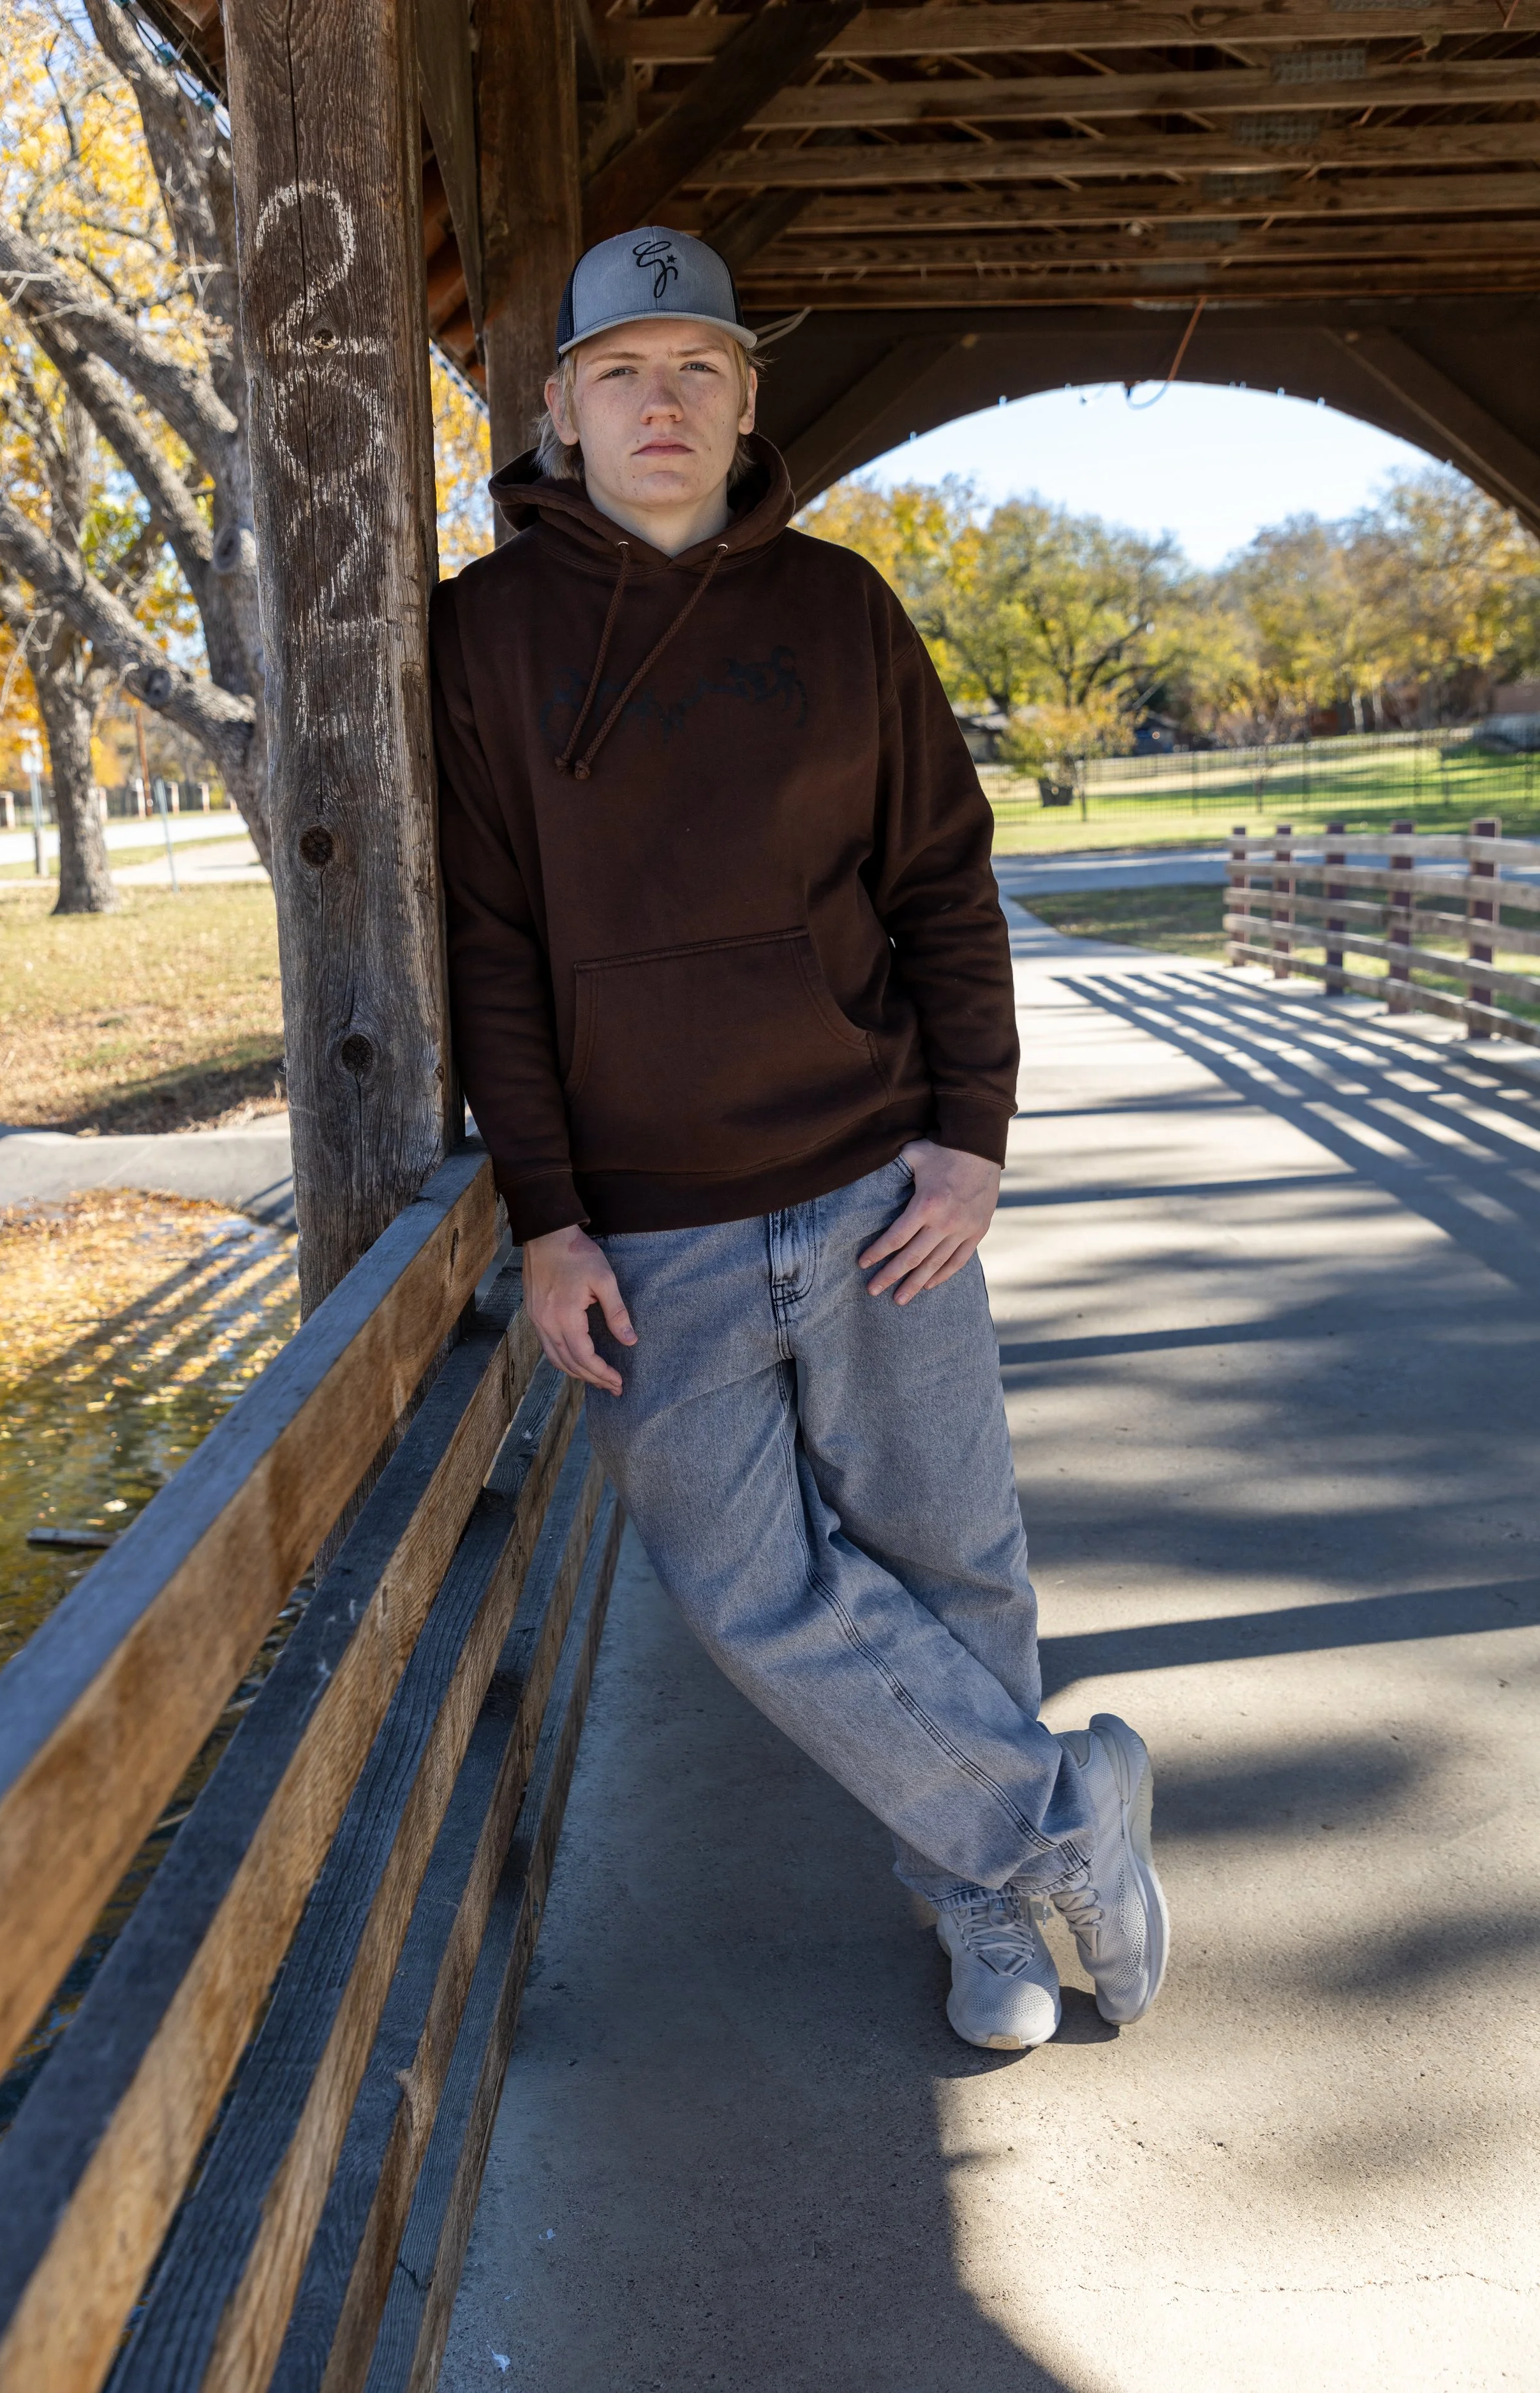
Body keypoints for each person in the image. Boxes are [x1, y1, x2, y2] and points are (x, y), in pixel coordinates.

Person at [431, 227, 1167, 2051]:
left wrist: (970, 1138)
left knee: (948, 1559)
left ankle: (988, 1916)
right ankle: (1062, 1818)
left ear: (747, 401)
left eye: (696, 368)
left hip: (870, 1190)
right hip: (651, 1225)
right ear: (559, 408)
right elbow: (486, 943)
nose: (659, 401)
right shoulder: (484, 636)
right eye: (622, 371)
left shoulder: (841, 611)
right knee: (745, 1586)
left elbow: (943, 885)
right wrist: (545, 1212)